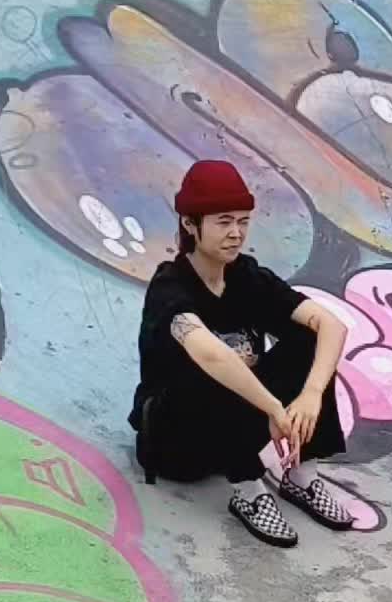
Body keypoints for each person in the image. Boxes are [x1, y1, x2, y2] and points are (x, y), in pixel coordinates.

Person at [129, 160, 352, 548]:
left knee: (308, 338)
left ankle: (301, 477)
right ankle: (248, 490)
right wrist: (274, 408)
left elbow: (332, 326)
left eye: (243, 222)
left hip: (233, 425)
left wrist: (311, 394)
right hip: (176, 441)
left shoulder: (246, 277)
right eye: (223, 222)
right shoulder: (170, 286)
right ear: (190, 224)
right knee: (213, 362)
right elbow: (211, 355)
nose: (236, 233)